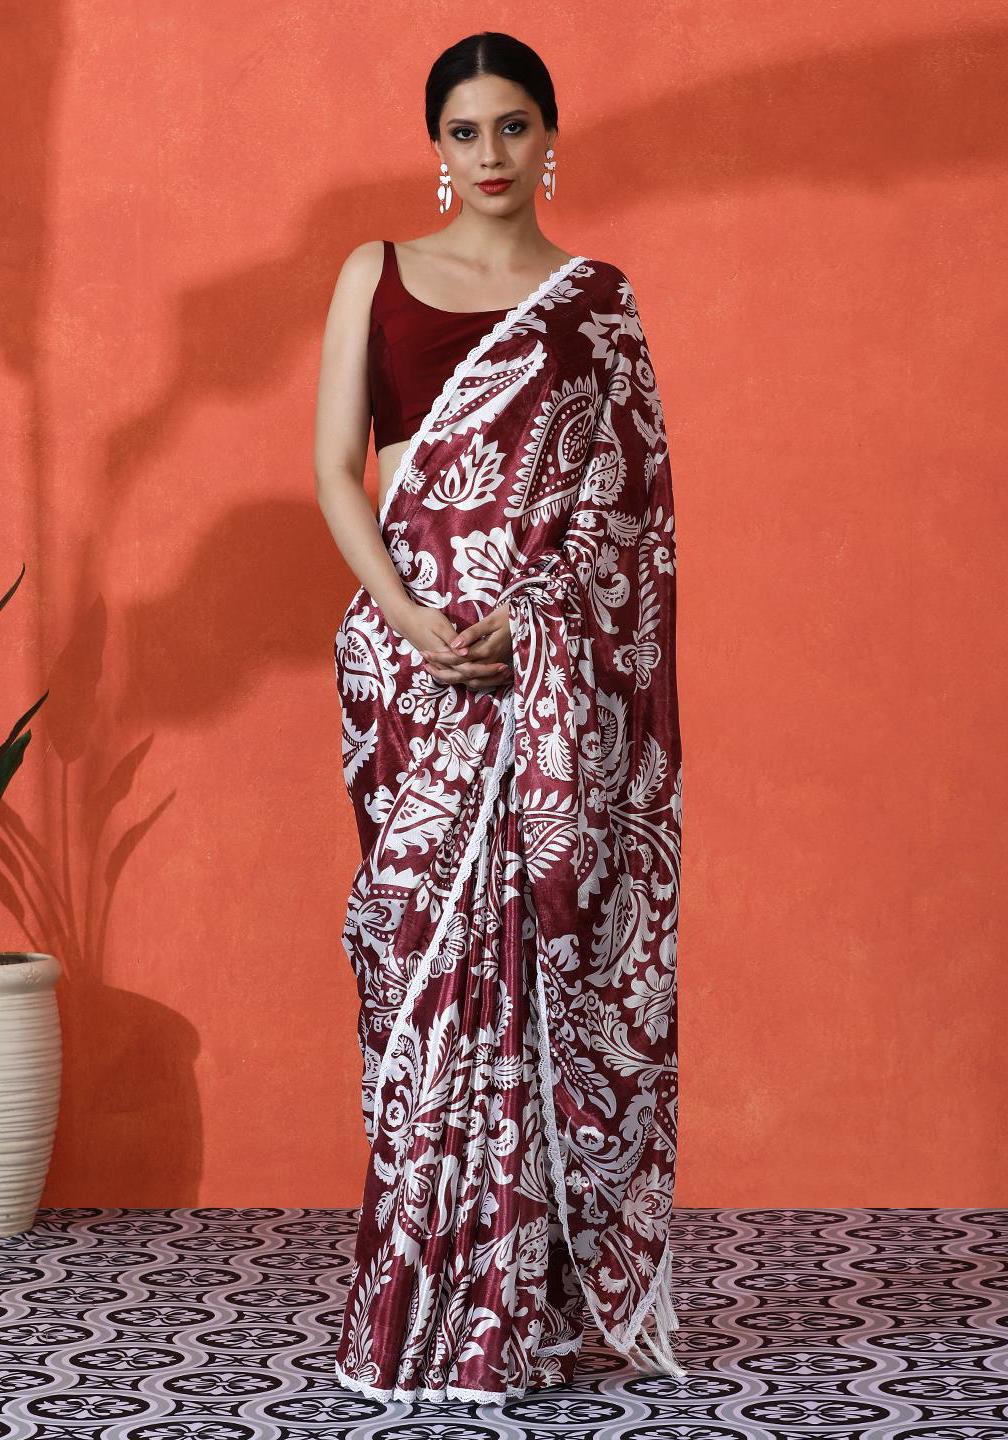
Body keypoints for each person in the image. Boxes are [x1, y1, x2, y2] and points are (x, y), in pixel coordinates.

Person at [314, 30, 686, 1406]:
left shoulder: (596, 304)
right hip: (406, 668)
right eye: (465, 131)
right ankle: (413, 1301)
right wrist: (412, 619)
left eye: (513, 125)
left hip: (545, 681)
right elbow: (338, 473)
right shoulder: (374, 273)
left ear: (549, 137)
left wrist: (532, 627)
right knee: (420, 969)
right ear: (436, 148)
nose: (490, 153)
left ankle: (512, 1312)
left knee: (534, 968)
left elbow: (626, 519)